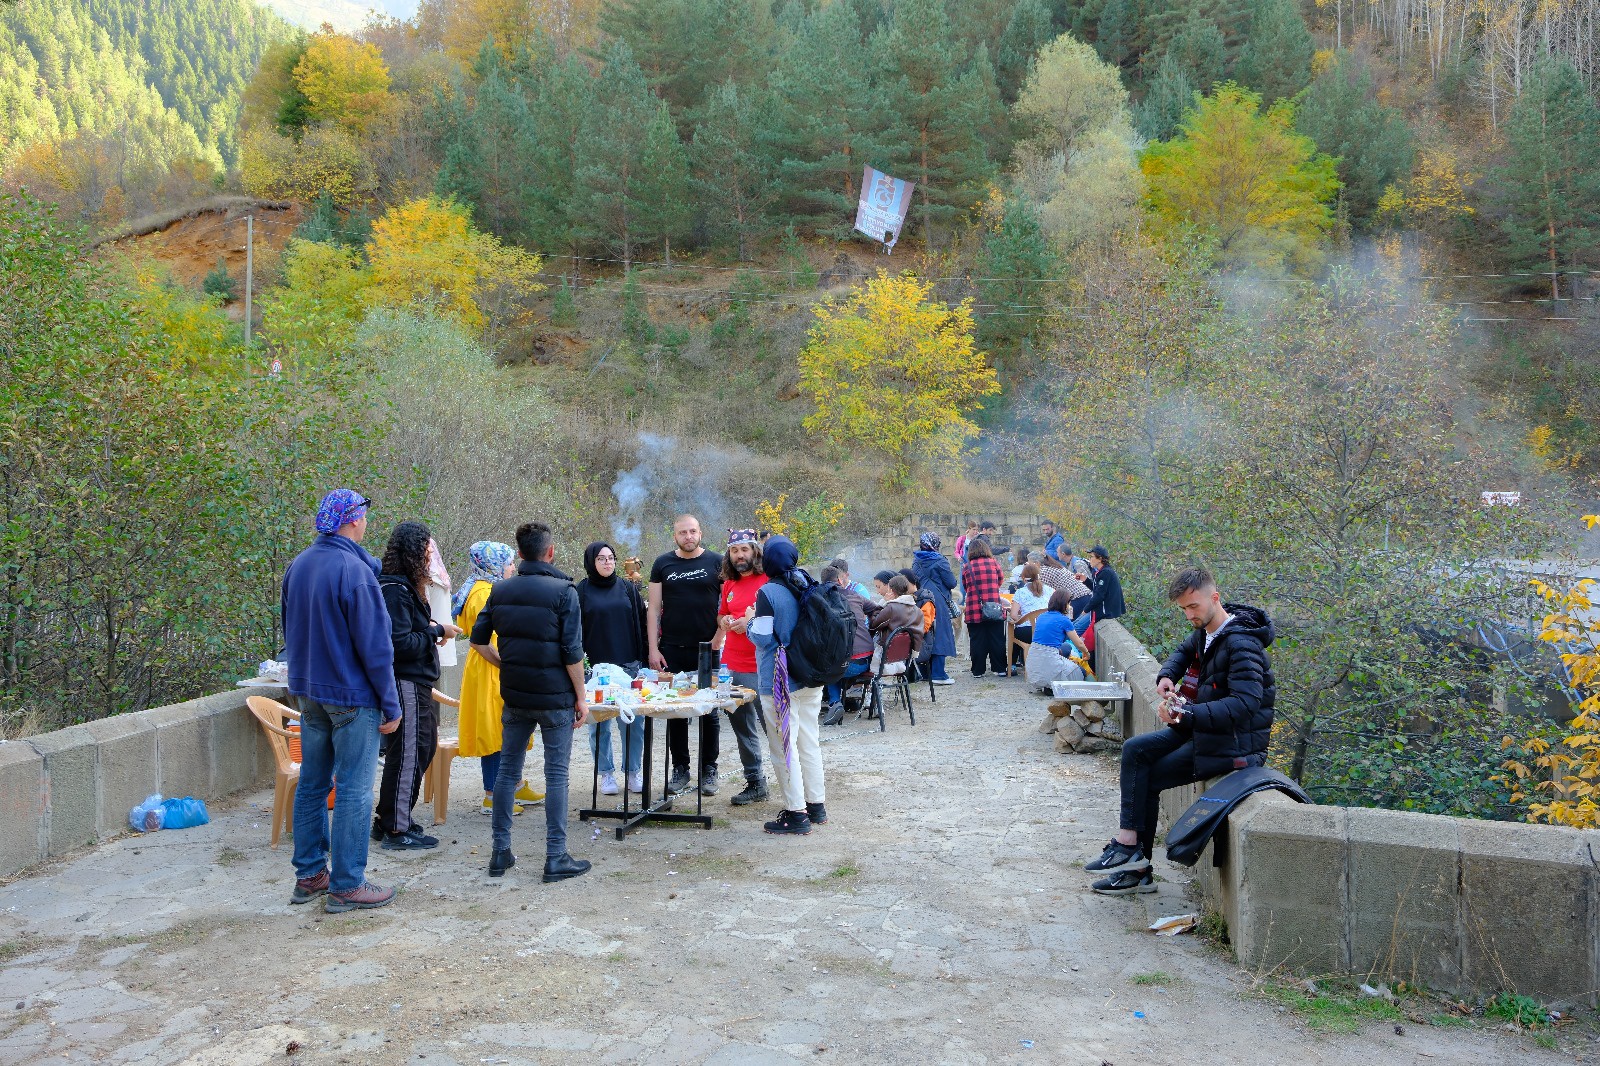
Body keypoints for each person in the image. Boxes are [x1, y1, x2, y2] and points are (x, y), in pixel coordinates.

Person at [1085, 568, 1275, 895]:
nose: (1189, 615)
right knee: (1134, 750)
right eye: (1184, 609)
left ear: (1215, 598)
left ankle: (1135, 864)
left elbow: (1245, 705)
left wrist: (1186, 713)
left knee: (1148, 778)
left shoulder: (1242, 644)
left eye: (1193, 606)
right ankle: (1130, 849)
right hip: (1201, 729)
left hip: (1231, 746)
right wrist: (1166, 676)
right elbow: (1184, 651)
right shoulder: (1207, 630)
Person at [281, 489, 401, 913]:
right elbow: (376, 647)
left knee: (313, 784)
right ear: (352, 520)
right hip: (351, 696)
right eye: (364, 516)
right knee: (353, 789)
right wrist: (391, 703)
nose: (367, 523)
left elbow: (289, 628)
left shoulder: (299, 565)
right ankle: (348, 885)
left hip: (308, 693)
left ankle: (310, 875)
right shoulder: (354, 571)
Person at [468, 522, 591, 883]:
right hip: (555, 699)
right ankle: (556, 857)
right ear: (550, 552)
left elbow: (477, 641)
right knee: (557, 775)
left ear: (520, 553)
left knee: (507, 771)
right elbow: (572, 652)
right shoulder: (564, 591)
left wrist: (505, 664)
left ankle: (500, 852)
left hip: (516, 695)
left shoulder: (499, 589)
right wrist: (582, 697)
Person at [374, 521, 461, 851]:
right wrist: (436, 631)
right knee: (410, 750)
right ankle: (396, 829)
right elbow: (398, 643)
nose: (430, 556)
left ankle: (389, 818)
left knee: (422, 747)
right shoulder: (395, 589)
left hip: (416, 679)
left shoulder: (404, 587)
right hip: (406, 680)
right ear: (414, 552)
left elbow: (408, 631)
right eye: (426, 549)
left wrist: (430, 627)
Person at [454, 541, 543, 816]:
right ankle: (493, 794)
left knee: (512, 727)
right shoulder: (483, 593)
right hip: (490, 668)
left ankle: (514, 785)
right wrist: (508, 666)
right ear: (493, 565)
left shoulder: (488, 587)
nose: (513, 568)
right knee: (494, 730)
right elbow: (482, 641)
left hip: (496, 666)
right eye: (508, 563)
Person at [747, 536, 827, 835]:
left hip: (780, 679)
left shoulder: (768, 592)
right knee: (809, 742)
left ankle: (796, 814)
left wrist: (750, 620)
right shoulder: (807, 582)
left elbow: (763, 636)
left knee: (784, 748)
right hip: (811, 675)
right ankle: (816, 806)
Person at [647, 515, 724, 796]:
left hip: (707, 649)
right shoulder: (662, 564)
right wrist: (653, 648)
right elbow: (653, 609)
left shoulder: (717, 562)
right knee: (676, 711)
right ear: (675, 536)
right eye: (683, 532)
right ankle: (681, 768)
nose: (688, 536)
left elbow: (726, 606)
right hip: (672, 649)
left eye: (692, 531)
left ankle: (709, 769)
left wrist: (718, 638)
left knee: (709, 711)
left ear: (700, 533)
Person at [577, 541, 647, 797]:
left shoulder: (627, 588)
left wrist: (643, 660)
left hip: (627, 664)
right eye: (601, 558)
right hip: (595, 669)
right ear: (591, 562)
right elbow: (575, 630)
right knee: (598, 724)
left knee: (633, 721)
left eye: (610, 558)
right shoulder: (581, 591)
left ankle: (633, 771)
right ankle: (606, 773)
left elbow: (640, 623)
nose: (607, 562)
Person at [713, 530, 771, 806]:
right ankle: (755, 782)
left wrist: (750, 622)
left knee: (774, 727)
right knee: (742, 728)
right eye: (734, 551)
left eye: (744, 550)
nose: (739, 555)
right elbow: (722, 614)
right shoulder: (728, 584)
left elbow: (778, 618)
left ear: (755, 551)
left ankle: (793, 782)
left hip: (761, 666)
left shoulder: (769, 580)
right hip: (731, 667)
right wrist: (724, 621)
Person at [820, 563, 875, 723]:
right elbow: (878, 609)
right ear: (840, 580)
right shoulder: (855, 595)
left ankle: (834, 703)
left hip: (846, 665)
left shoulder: (820, 600)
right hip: (868, 661)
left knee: (826, 666)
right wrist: (869, 627)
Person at [910, 533, 957, 686]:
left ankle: (925, 672)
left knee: (925, 633)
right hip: (938, 600)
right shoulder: (940, 560)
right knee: (940, 634)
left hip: (921, 598)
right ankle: (938, 673)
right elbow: (951, 582)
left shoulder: (916, 560)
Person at [1023, 589, 1091, 690]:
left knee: (1066, 647)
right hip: (1050, 658)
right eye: (1069, 603)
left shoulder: (1041, 617)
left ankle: (1048, 681)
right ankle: (1053, 683)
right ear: (1064, 604)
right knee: (1082, 672)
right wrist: (1086, 653)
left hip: (1034, 660)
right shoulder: (1064, 620)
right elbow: (1079, 643)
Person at [962, 538, 1008, 678]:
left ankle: (978, 670)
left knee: (977, 640)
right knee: (997, 638)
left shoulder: (967, 567)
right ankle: (1000, 668)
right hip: (993, 607)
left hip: (974, 608)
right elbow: (1000, 580)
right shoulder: (994, 563)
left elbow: (966, 586)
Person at [1007, 563, 1052, 671]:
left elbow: (1013, 615)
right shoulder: (1050, 590)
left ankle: (1012, 665)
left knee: (1016, 631)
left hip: (1028, 633)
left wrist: (1021, 618)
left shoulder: (1021, 592)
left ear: (1024, 578)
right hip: (1047, 631)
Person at [1077, 545, 1126, 635]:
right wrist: (1085, 580)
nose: (1089, 559)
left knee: (1076, 629)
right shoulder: (1099, 571)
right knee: (1074, 624)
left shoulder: (1106, 573)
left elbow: (1099, 595)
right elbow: (1097, 589)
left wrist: (1086, 609)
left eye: (1091, 557)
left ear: (1099, 559)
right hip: (1098, 609)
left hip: (1105, 611)